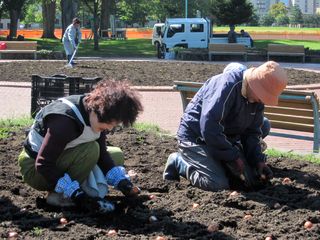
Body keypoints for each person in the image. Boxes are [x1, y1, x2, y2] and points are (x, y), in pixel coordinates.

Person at [18, 80, 143, 213]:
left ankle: (79, 186)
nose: (110, 128)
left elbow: (102, 154)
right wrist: (75, 193)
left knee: (116, 155)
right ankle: (59, 195)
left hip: (61, 157)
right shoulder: (64, 123)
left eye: (114, 124)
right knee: (91, 150)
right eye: (107, 124)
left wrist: (122, 183)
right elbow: (43, 164)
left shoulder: (96, 115)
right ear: (96, 110)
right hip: (36, 170)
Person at [163, 61, 288, 192]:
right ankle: (178, 162)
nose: (263, 101)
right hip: (195, 138)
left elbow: (252, 132)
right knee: (216, 183)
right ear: (255, 85)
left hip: (224, 139)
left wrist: (258, 161)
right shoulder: (227, 85)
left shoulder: (256, 99)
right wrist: (233, 157)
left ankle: (218, 163)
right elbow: (209, 127)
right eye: (263, 96)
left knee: (252, 181)